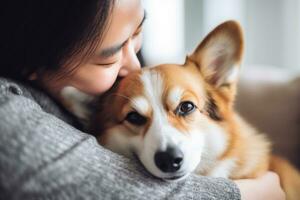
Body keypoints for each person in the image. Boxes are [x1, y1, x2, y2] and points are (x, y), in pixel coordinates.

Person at [0, 0, 285, 199]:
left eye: (137, 33)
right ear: (34, 65)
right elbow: (98, 186)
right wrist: (245, 195)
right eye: (108, 57)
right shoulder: (10, 113)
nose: (136, 67)